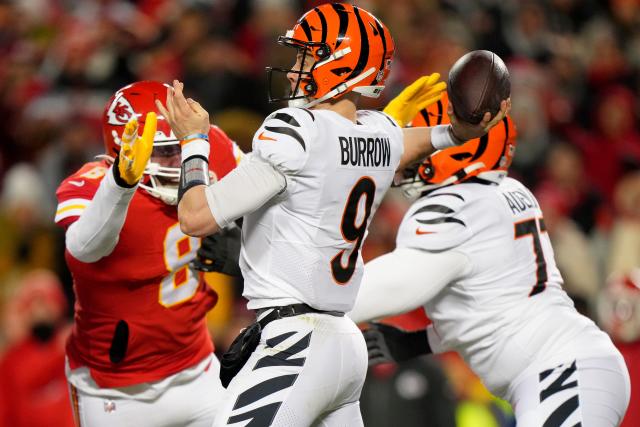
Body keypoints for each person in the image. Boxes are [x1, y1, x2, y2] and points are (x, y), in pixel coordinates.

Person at [157, 3, 508, 426]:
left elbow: (195, 218)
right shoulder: (379, 134)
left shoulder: (295, 131)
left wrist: (193, 143)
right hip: (342, 343)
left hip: (296, 340)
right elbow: (404, 143)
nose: (292, 72)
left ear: (339, 63)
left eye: (305, 57)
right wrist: (456, 133)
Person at [349, 96, 631, 426]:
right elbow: (489, 307)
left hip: (561, 374)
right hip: (571, 368)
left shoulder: (457, 207)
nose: (409, 155)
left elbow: (367, 293)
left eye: (423, 142)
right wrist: (417, 342)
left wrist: (293, 302)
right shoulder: (505, 191)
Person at [54, 81, 241, 427]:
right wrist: (119, 184)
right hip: (114, 390)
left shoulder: (208, 144)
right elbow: (83, 247)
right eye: (163, 152)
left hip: (197, 368)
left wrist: (246, 247)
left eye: (181, 147)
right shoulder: (95, 185)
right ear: (123, 148)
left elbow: (270, 192)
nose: (178, 161)